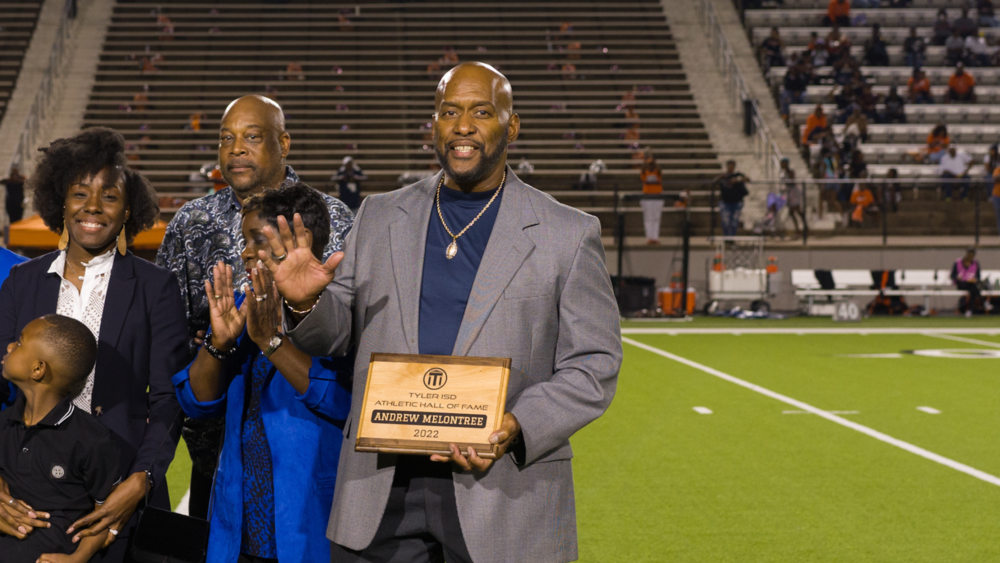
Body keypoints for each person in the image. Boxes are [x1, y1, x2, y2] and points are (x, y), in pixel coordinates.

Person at [258, 62, 621, 563]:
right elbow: (336, 335)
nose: (463, 125)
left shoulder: (568, 233)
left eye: (481, 112)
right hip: (380, 491)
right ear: (435, 124)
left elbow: (594, 364)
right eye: (450, 111)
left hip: (501, 496)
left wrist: (517, 424)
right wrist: (307, 302)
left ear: (511, 126)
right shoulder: (380, 214)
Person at [156, 95, 354, 520]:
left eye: (251, 137)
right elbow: (170, 332)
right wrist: (215, 342)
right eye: (226, 138)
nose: (236, 149)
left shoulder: (335, 216)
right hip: (217, 439)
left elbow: (348, 333)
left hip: (311, 432)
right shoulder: (192, 220)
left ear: (284, 143)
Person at [0, 127, 187, 562]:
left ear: (127, 211)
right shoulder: (21, 282)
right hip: (28, 495)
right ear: (60, 201)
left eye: (109, 196)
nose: (92, 208)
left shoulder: (156, 287)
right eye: (80, 193)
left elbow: (166, 400)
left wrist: (141, 478)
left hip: (115, 488)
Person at [172, 183, 352, 563]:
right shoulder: (243, 304)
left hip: (309, 523)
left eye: (256, 240)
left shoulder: (340, 310)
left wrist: (272, 342)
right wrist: (218, 345)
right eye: (245, 240)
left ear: (300, 238)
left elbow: (343, 403)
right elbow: (197, 403)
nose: (245, 252)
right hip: (238, 526)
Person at [0, 315, 120, 563]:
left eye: (20, 343)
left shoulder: (92, 440)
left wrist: (78, 558)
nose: (9, 346)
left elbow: (105, 516)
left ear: (37, 369)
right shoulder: (3, 423)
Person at [716, 161, 750, 237]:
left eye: (732, 167)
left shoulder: (737, 175)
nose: (731, 168)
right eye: (729, 167)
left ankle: (731, 238)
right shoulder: (724, 176)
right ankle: (726, 237)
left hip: (736, 202)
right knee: (726, 221)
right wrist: (722, 178)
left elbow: (748, 179)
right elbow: (715, 181)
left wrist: (737, 180)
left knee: (734, 221)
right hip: (725, 202)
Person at [951, 248, 983, 316]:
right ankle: (979, 304)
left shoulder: (975, 263)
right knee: (974, 289)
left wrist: (975, 279)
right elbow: (952, 275)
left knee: (973, 290)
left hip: (971, 284)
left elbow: (978, 276)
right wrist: (957, 277)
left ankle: (969, 310)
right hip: (961, 283)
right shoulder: (958, 262)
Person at [640, 156, 663, 244]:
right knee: (648, 217)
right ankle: (649, 237)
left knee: (656, 217)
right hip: (647, 195)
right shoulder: (644, 171)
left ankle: (655, 237)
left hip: (657, 195)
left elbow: (659, 178)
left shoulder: (658, 172)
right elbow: (643, 178)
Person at [780, 159, 805, 237]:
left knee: (796, 211)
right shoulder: (784, 172)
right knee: (794, 212)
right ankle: (799, 229)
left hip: (793, 193)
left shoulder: (790, 172)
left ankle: (801, 229)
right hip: (790, 193)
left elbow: (792, 182)